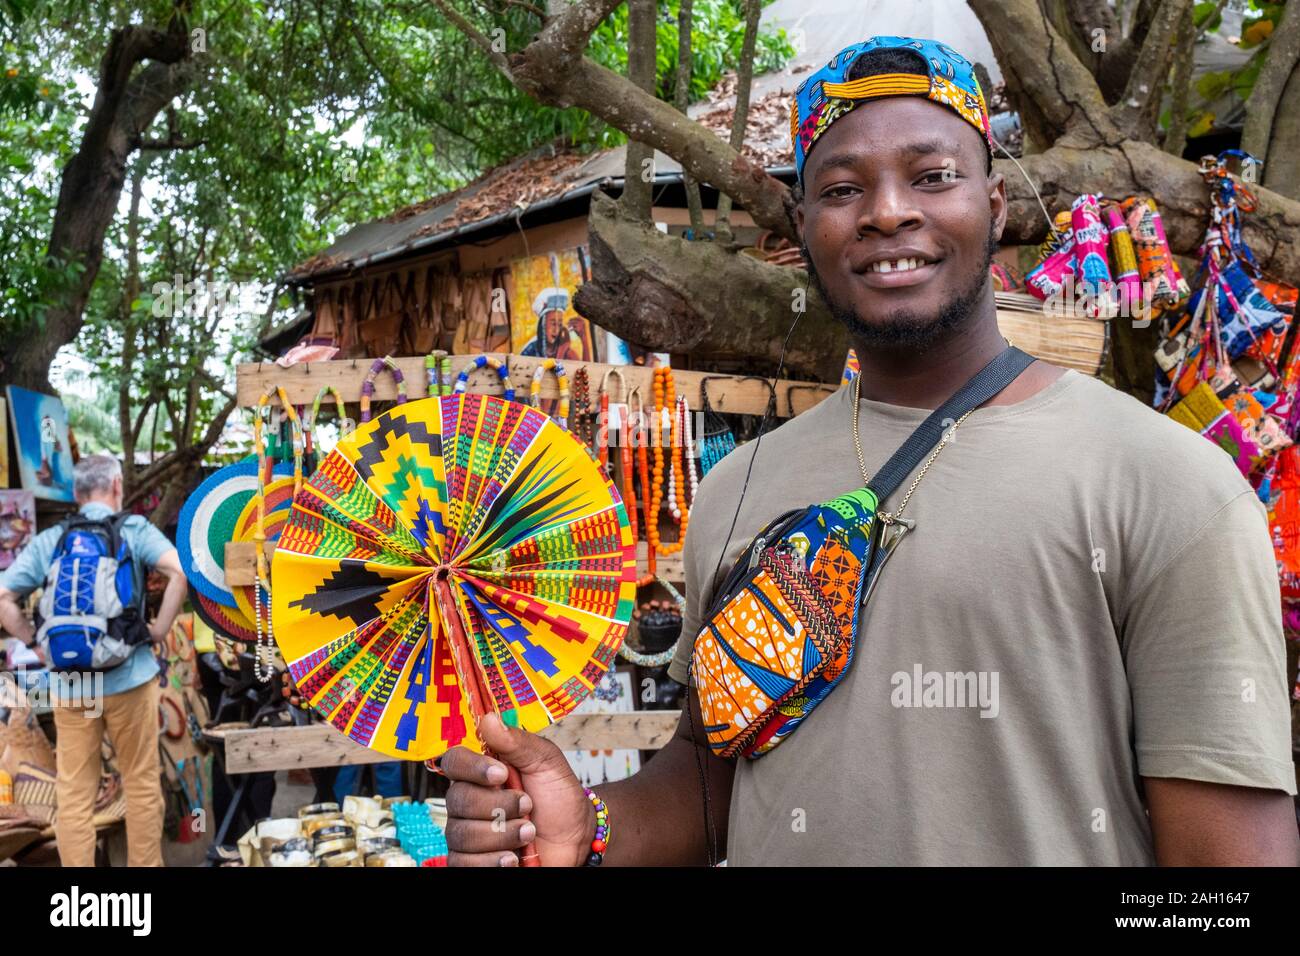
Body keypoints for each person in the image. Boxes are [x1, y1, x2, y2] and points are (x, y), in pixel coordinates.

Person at [437, 36, 1300, 867]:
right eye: (844, 188)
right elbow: (712, 783)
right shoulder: (739, 489)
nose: (889, 211)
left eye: (933, 176)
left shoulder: (1169, 487)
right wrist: (580, 828)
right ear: (803, 225)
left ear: (994, 209)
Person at [0, 454, 188, 866]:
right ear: (118, 485)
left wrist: (35, 643)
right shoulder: (133, 529)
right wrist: (157, 631)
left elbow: (4, 599)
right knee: (139, 784)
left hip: (74, 684)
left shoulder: (53, 540)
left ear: (76, 493)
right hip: (128, 677)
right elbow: (178, 574)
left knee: (75, 792)